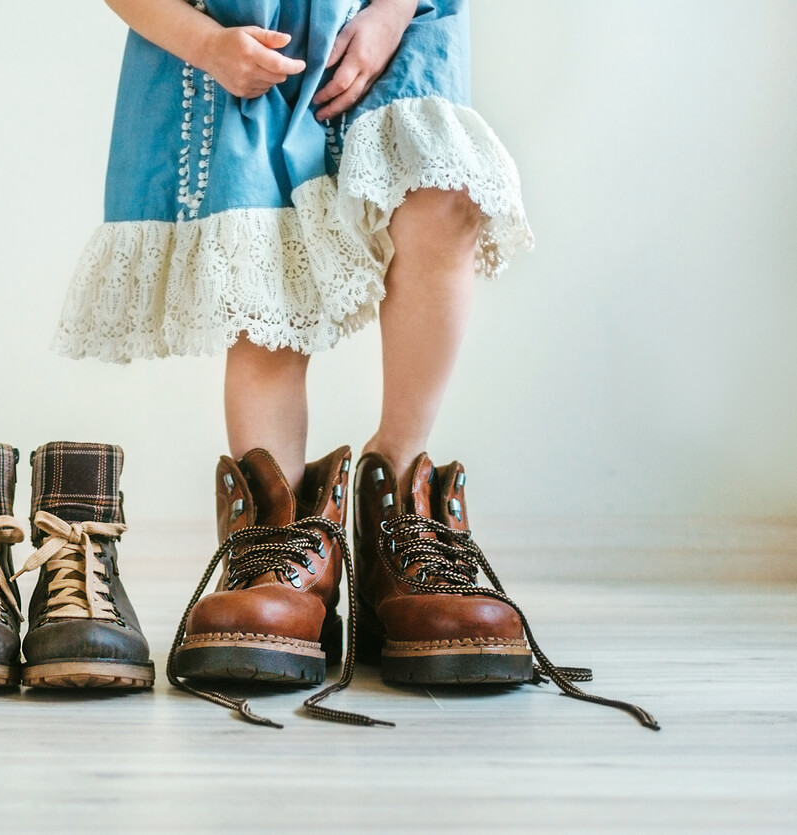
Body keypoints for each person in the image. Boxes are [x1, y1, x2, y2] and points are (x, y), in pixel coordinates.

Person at [54, 0, 656, 730]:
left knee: (443, 197)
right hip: (235, 36)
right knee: (266, 269)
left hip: (384, 15)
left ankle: (397, 503)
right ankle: (276, 544)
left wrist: (394, 13)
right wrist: (205, 43)